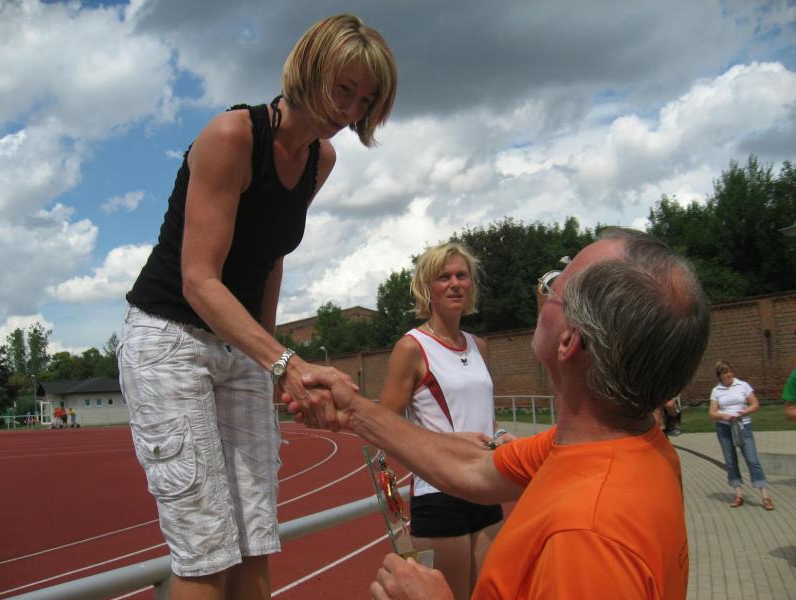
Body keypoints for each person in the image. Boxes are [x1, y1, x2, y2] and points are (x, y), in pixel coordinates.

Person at [117, 14, 397, 600]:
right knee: (205, 550)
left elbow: (272, 256)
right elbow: (198, 280)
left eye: (365, 100)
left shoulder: (321, 160)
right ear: (310, 69)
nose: (350, 110)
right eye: (343, 89)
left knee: (254, 537)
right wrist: (284, 363)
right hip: (171, 337)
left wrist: (268, 364)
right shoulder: (232, 137)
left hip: (240, 346)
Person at [288, 227, 710, 599]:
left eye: (554, 287)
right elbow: (474, 470)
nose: (541, 294)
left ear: (569, 342)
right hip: (441, 496)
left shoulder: (586, 538)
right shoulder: (606, 447)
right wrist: (354, 411)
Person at [379, 242, 516, 600]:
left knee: (490, 594)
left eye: (461, 276)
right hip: (439, 493)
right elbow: (383, 428)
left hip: (485, 487)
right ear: (427, 288)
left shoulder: (479, 346)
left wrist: (500, 435)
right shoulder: (411, 348)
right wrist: (447, 445)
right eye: (444, 277)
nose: (455, 284)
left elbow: (482, 418)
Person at [709, 361, 774, 510]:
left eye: (730, 371)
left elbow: (755, 404)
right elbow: (712, 413)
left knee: (752, 460)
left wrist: (745, 412)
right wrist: (724, 416)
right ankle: (738, 494)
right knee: (731, 461)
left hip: (743, 426)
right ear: (719, 376)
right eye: (725, 372)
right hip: (724, 428)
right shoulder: (716, 390)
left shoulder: (743, 385)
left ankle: (765, 495)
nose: (729, 374)